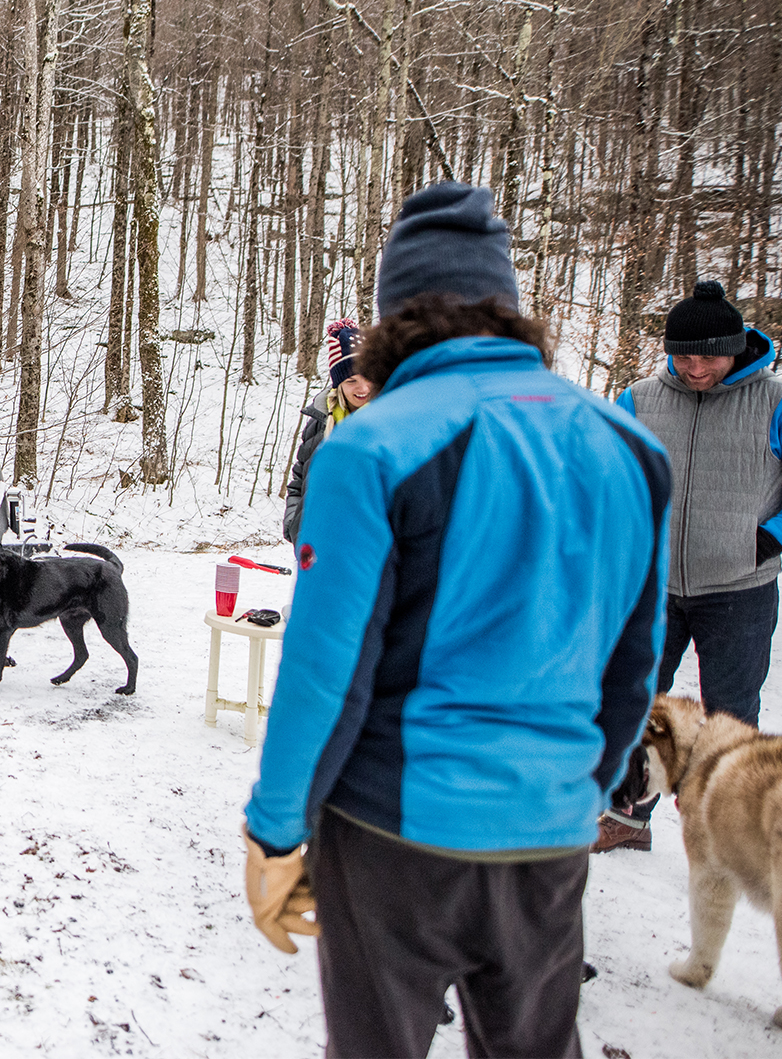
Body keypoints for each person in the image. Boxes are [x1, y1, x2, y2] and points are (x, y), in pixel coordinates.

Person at [241, 182, 670, 1059]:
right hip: (548, 828)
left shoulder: (369, 444)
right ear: (507, 309)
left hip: (394, 827)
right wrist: (585, 790)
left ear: (392, 319)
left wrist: (276, 829)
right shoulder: (630, 448)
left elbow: (325, 670)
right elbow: (635, 665)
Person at [599, 280, 782, 852]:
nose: (694, 366)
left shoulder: (775, 401)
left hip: (739, 587)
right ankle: (628, 818)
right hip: (653, 585)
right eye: (682, 354)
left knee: (730, 712)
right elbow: (612, 478)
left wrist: (769, 540)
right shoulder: (639, 399)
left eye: (706, 355)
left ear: (736, 347)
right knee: (642, 698)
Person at [283, 319, 376, 545]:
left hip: (366, 549)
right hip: (316, 544)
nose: (362, 388)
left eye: (367, 378)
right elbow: (299, 481)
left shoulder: (387, 421)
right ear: (338, 384)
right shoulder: (321, 420)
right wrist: (294, 526)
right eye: (352, 380)